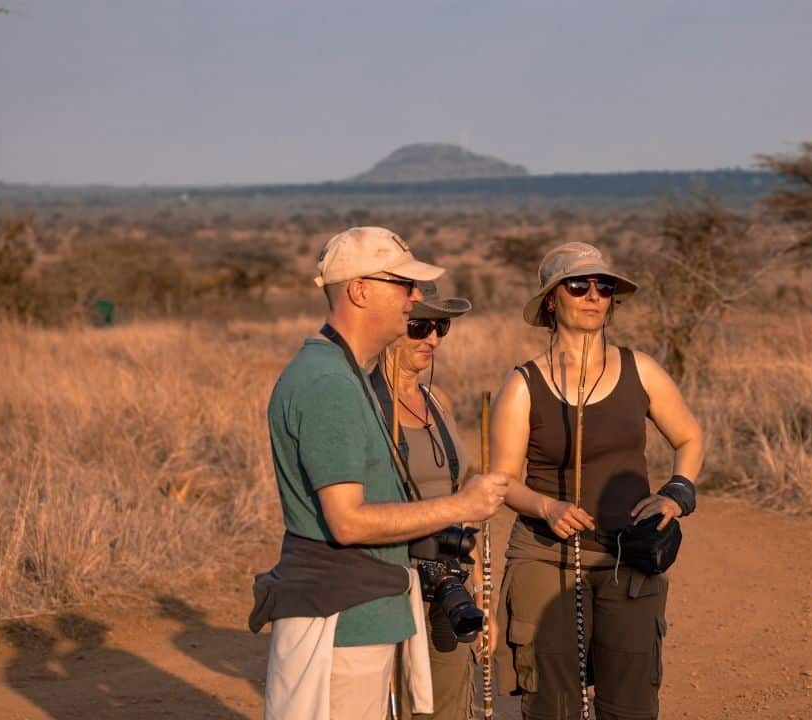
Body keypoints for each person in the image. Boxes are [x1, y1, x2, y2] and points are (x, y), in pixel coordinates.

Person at [252, 227, 510, 720]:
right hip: (341, 620)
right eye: (403, 284)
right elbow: (347, 521)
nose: (416, 298)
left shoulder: (345, 373)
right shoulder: (329, 381)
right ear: (359, 289)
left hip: (361, 611)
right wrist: (463, 506)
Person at [490, 242, 704, 720]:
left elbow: (689, 437)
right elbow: (502, 481)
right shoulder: (524, 383)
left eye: (604, 287)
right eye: (578, 285)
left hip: (630, 555)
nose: (593, 295)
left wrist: (677, 493)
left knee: (631, 703)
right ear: (551, 299)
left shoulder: (640, 369)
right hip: (547, 555)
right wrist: (547, 508)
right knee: (552, 703)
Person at [369, 280, 482, 720]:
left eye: (441, 326)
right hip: (389, 582)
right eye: (420, 326)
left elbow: (464, 490)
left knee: (448, 706)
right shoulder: (365, 404)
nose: (432, 338)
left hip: (449, 585)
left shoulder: (439, 401)